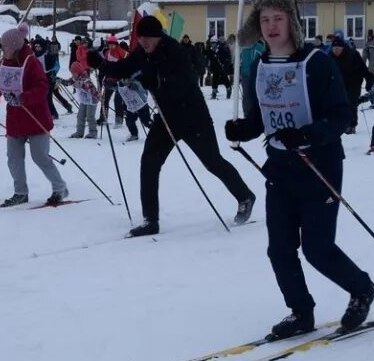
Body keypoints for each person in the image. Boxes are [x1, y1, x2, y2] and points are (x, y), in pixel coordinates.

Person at [223, 0, 374, 338]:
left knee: (317, 249)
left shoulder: (316, 62)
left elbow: (340, 115)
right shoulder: (259, 64)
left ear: (292, 21)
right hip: (279, 168)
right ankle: (300, 311)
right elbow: (262, 116)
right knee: (279, 248)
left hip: (318, 166)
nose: (271, 26)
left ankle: (361, 289)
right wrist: (243, 129)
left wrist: (308, 135)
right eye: (264, 19)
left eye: (278, 18)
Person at [89, 15, 255, 236]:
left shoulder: (175, 51)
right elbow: (125, 68)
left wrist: (157, 82)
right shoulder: (140, 53)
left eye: (148, 39)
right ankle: (150, 220)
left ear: (158, 37)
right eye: (141, 39)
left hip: (193, 116)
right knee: (149, 162)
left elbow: (186, 81)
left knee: (212, 162)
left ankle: (245, 196)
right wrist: (101, 64)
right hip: (167, 118)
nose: (144, 43)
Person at [0, 24, 68, 207]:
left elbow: (42, 87)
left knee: (40, 157)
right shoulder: (2, 64)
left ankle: (59, 187)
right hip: (15, 119)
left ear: (14, 46)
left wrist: (23, 98)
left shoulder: (31, 62)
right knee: (14, 158)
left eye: (5, 47)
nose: (2, 49)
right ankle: (20, 192)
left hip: (35, 117)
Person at [328, 37, 371, 134]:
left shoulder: (353, 54)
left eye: (338, 49)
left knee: (351, 103)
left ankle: (351, 125)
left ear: (342, 48)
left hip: (354, 82)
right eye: (334, 49)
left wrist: (369, 80)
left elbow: (363, 69)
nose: (336, 51)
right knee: (339, 104)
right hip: (339, 84)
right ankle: (341, 123)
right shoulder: (330, 56)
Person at [97, 35, 128, 125]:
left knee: (117, 100)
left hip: (120, 80)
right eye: (109, 44)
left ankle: (119, 118)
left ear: (116, 44)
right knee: (105, 99)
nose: (111, 46)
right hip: (110, 79)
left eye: (112, 44)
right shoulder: (107, 53)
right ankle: (103, 117)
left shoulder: (121, 52)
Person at [65, 62, 99, 139]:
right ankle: (79, 132)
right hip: (84, 100)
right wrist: (58, 79)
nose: (73, 75)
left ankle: (93, 132)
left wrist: (82, 85)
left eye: (75, 73)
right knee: (80, 116)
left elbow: (93, 90)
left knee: (90, 116)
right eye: (72, 73)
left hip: (92, 100)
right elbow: (68, 82)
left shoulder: (86, 79)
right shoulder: (75, 78)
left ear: (79, 72)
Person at [116, 77, 153, 142]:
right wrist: (109, 84)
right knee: (129, 121)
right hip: (131, 107)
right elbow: (116, 87)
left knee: (146, 121)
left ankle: (158, 131)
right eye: (122, 79)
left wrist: (130, 84)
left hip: (142, 105)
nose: (123, 81)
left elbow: (137, 87)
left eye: (124, 79)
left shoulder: (135, 81)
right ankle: (134, 134)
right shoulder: (120, 84)